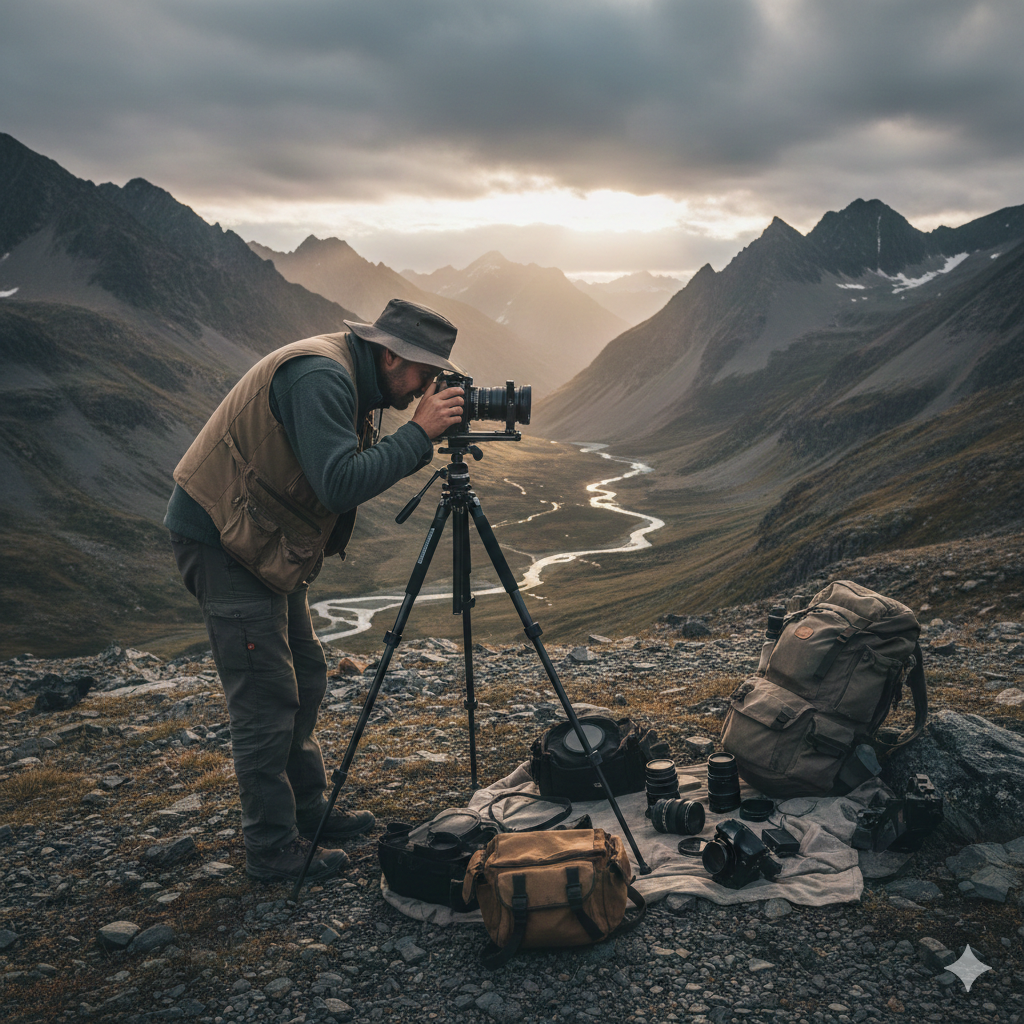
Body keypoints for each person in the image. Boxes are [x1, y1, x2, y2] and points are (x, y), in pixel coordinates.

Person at [164, 298, 465, 883]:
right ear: (389, 355)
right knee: (265, 696)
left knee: (304, 675)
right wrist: (420, 435)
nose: (428, 387)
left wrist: (412, 428)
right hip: (225, 541)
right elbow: (338, 484)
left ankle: (307, 810)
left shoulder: (357, 377)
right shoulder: (323, 377)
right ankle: (272, 847)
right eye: (425, 373)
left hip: (261, 539)